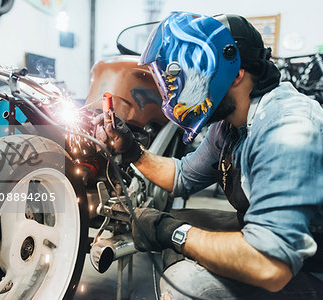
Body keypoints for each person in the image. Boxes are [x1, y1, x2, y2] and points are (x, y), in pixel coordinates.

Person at [94, 11, 323, 299]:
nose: (178, 89)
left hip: (308, 266)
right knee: (176, 219)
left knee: (186, 282)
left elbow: (271, 265)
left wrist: (174, 233)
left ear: (235, 71)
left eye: (190, 74)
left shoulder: (287, 127)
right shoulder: (229, 125)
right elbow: (182, 176)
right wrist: (131, 150)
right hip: (277, 243)